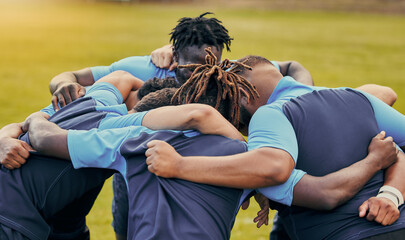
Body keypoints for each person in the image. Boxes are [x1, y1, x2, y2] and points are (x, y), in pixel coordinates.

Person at [24, 50, 397, 240]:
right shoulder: (246, 159)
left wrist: (24, 127)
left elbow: (306, 185)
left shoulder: (133, 140)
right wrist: (383, 176)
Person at [143, 55, 405, 239]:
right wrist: (389, 192)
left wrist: (178, 165)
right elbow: (392, 125)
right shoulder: (355, 96)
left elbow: (274, 169)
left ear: (244, 96)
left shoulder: (270, 114)